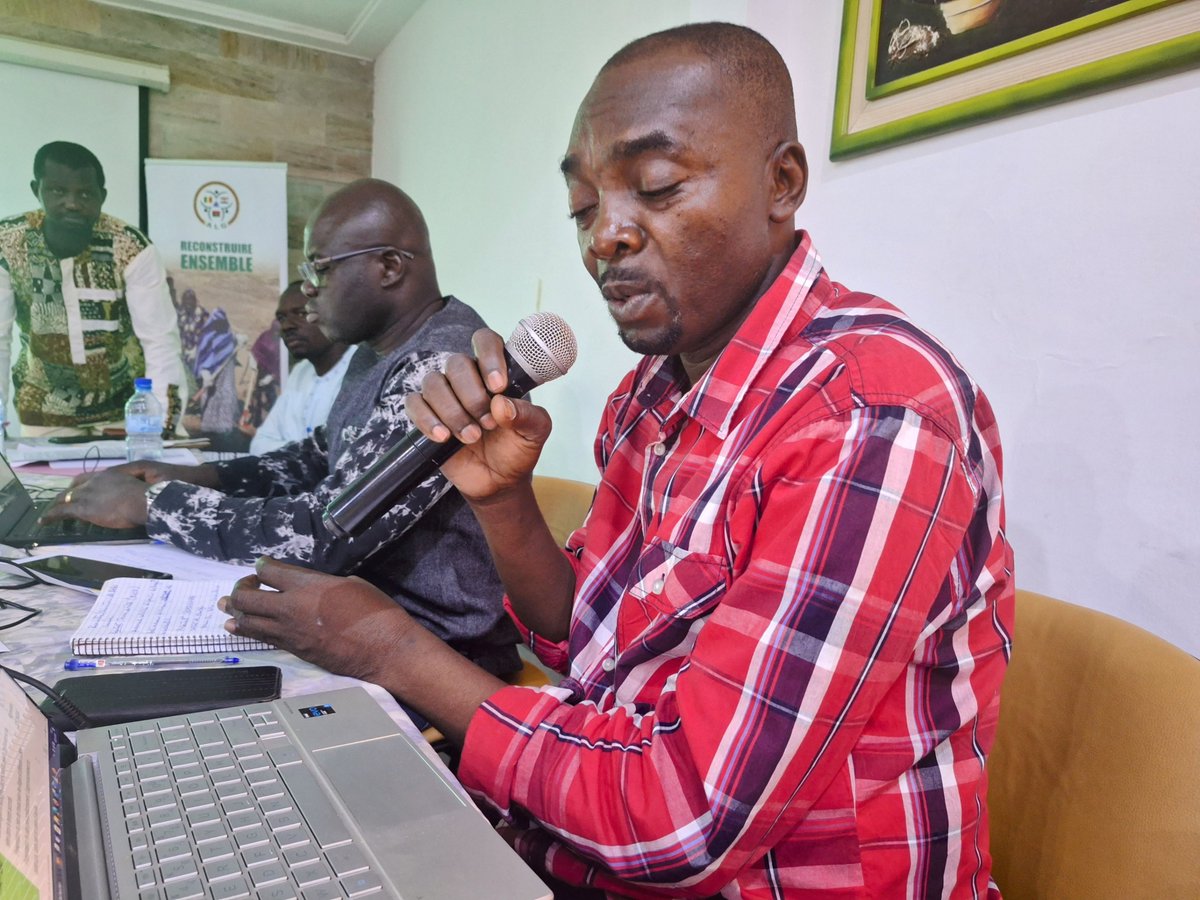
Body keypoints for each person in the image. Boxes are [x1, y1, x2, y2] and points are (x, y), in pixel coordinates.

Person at [219, 23, 1014, 897]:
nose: (605, 236)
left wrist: (389, 650)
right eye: (583, 207)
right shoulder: (649, 395)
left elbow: (685, 820)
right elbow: (587, 643)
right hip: (573, 846)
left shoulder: (871, 416)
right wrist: (502, 502)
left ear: (782, 183)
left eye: (657, 186)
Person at [44, 179, 520, 677]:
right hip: (368, 616)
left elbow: (328, 531)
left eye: (320, 267)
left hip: (435, 652)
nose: (309, 286)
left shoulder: (440, 366)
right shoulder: (378, 350)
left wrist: (152, 505)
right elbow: (321, 453)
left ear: (389, 267)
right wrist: (198, 477)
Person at [0, 141, 186, 434]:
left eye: (85, 193)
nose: (72, 203)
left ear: (102, 197)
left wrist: (160, 427)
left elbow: (160, 341)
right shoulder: (9, 244)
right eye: (58, 191)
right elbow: (0, 339)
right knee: (44, 482)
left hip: (127, 411)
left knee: (144, 478)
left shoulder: (131, 247)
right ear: (37, 190)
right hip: (45, 414)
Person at [249, 281, 352, 454]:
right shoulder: (300, 372)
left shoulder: (360, 369)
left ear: (334, 313)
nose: (287, 326)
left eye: (301, 313)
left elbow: (336, 454)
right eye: (282, 318)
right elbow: (259, 445)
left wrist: (288, 450)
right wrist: (307, 453)